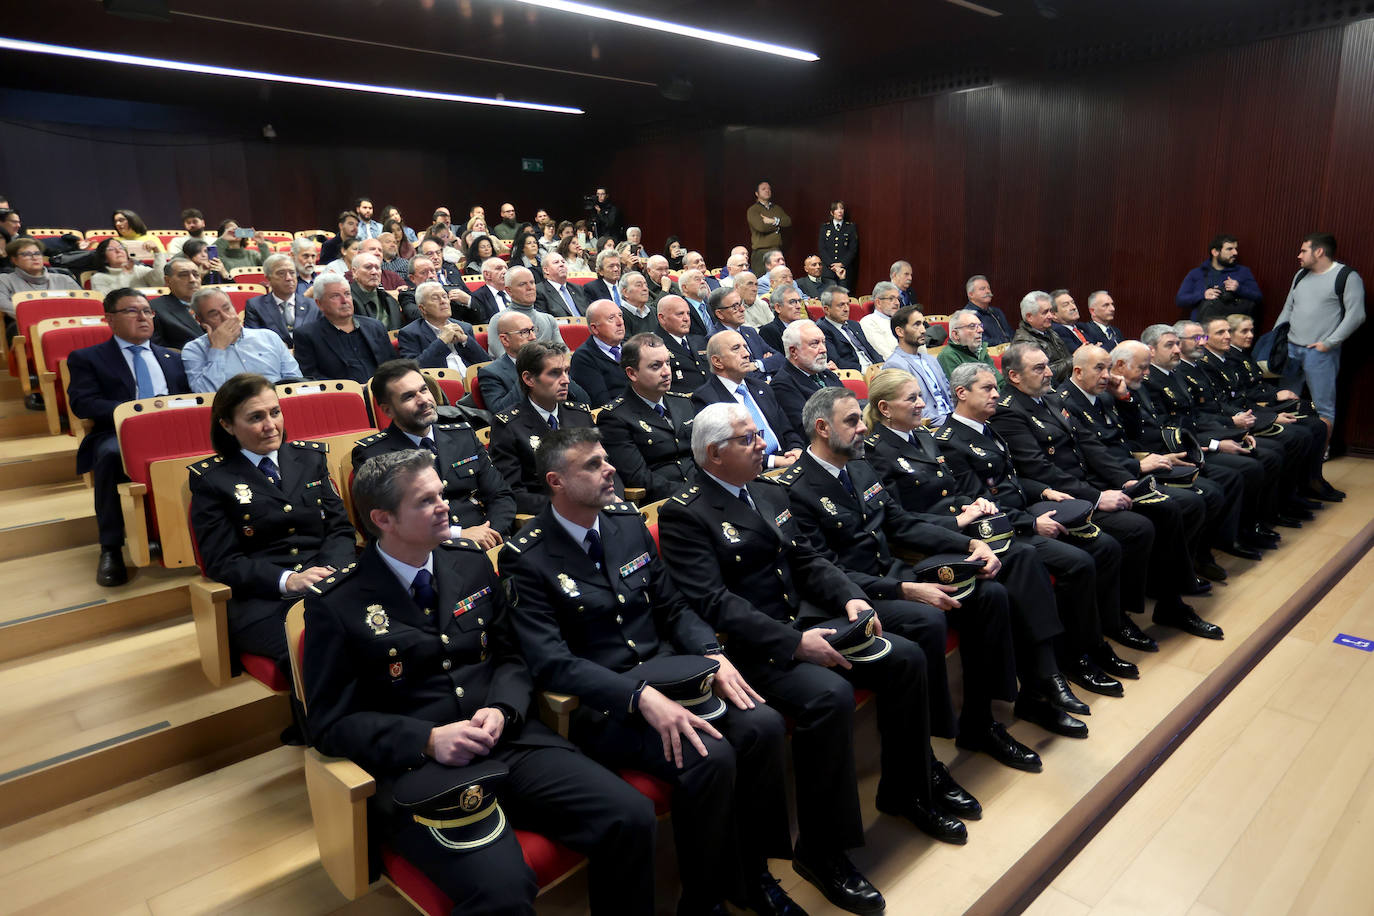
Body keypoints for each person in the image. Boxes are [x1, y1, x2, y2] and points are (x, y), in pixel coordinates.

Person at [304, 449, 656, 915]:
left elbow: (511, 654)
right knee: (502, 889)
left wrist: (504, 708)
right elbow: (329, 726)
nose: (445, 506)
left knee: (629, 816)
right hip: (424, 771)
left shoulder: (467, 562)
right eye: (426, 501)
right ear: (382, 518)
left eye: (442, 493)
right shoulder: (337, 603)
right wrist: (425, 739)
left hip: (508, 738)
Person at [658, 402, 965, 915]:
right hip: (750, 648)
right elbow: (713, 601)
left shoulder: (766, 489)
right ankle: (821, 851)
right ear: (714, 454)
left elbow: (805, 558)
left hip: (803, 619)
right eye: (749, 439)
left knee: (905, 657)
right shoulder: (685, 511)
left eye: (759, 435)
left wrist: (849, 594)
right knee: (829, 696)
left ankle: (907, 788)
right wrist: (793, 643)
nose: (763, 445)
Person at [503, 428, 800, 914]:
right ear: (556, 481)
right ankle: (704, 900)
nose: (611, 469)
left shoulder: (623, 522)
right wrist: (637, 696)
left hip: (672, 676)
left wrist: (712, 653)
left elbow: (672, 605)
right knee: (711, 757)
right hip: (604, 705)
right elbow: (551, 662)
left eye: (606, 459)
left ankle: (752, 872)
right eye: (594, 465)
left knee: (763, 725)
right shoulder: (527, 557)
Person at [782, 386, 1050, 773]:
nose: (863, 428)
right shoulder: (794, 488)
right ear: (823, 428)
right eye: (853, 420)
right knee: (927, 619)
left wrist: (971, 541)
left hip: (891, 574)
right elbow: (822, 569)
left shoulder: (857, 466)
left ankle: (981, 721)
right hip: (850, 596)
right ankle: (924, 758)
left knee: (987, 594)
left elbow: (901, 524)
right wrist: (903, 589)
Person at [869, 368, 1100, 737]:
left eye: (919, 395)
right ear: (884, 408)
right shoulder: (876, 452)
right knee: (1019, 561)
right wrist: (958, 524)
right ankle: (1042, 681)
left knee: (1020, 562)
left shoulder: (923, 437)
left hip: (958, 530)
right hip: (922, 550)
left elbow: (948, 491)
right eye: (910, 398)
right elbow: (900, 522)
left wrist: (972, 502)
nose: (921, 403)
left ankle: (1042, 681)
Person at [991, 342, 1223, 642]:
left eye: (1048, 365)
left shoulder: (1045, 398)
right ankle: (1118, 615)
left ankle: (1170, 602)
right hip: (1064, 498)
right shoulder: (1009, 412)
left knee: (1178, 506)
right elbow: (1039, 470)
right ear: (1014, 376)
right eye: (1039, 368)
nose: (1049, 373)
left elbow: (1089, 445)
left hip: (1090, 484)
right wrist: (1098, 497)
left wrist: (1125, 478)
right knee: (1139, 526)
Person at [190, 372, 353, 675]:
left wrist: (332, 573)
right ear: (227, 425)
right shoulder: (213, 481)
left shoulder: (309, 459)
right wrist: (288, 579)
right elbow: (222, 562)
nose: (271, 426)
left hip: (332, 584)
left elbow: (340, 529)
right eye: (256, 417)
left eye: (275, 412)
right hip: (265, 600)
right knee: (323, 649)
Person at [67, 289, 191, 586]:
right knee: (109, 455)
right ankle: (110, 547)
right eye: (132, 311)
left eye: (147, 311)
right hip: (119, 434)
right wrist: (133, 413)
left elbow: (190, 398)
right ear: (109, 319)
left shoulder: (172, 357)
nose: (143, 317)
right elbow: (83, 403)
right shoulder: (88, 358)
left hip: (173, 432)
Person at [1108, 338, 1257, 562]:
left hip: (1173, 450)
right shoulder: (1112, 395)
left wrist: (1208, 444)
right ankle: (1189, 562)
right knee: (1209, 492)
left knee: (1230, 478)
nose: (1146, 372)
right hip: (1151, 459)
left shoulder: (1139, 386)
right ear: (1120, 366)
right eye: (1142, 367)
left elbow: (1180, 423)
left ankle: (1202, 555)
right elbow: (1132, 439)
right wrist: (1206, 446)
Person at [1138, 324, 1281, 554]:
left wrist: (1236, 433)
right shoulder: (1149, 382)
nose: (1177, 349)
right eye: (1170, 345)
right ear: (1151, 350)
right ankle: (1228, 539)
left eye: (1177, 343)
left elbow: (1195, 418)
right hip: (1184, 449)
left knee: (1260, 457)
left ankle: (1247, 528)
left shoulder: (1174, 374)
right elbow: (1171, 430)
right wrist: (1215, 444)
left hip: (1197, 438)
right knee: (1244, 470)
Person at [355, 360, 515, 545]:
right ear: (387, 410)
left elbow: (500, 495)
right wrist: (455, 536)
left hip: (489, 541)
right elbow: (389, 526)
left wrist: (492, 533)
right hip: (431, 555)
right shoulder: (374, 455)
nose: (423, 400)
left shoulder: (462, 435)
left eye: (423, 390)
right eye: (408, 397)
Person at [490, 341, 621, 515]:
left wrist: (614, 496)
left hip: (598, 507)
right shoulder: (508, 425)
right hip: (551, 516)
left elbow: (606, 465)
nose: (566, 380)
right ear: (529, 379)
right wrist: (571, 505)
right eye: (554, 373)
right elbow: (514, 493)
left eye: (567, 371)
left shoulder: (579, 413)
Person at [1273, 232, 1366, 448]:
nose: (1299, 255)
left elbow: (1357, 315)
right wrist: (1275, 339)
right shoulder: (1301, 275)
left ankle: (1322, 451)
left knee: (1323, 406)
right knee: (1286, 400)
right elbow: (1288, 307)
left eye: (1303, 250)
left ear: (1319, 251)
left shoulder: (1346, 276)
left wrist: (1329, 343)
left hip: (1320, 352)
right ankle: (1287, 450)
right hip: (1291, 349)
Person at [594, 333, 698, 500]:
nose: (666, 372)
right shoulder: (615, 417)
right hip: (664, 502)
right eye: (655, 366)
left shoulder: (683, 402)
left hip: (702, 492)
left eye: (668, 363)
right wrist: (691, 493)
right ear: (632, 373)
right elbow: (638, 478)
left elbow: (703, 457)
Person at [182, 287, 302, 391]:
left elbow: (296, 382)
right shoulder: (193, 350)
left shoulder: (268, 337)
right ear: (200, 321)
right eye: (214, 314)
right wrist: (217, 349)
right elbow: (206, 394)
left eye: (227, 308)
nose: (226, 317)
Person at [293, 273, 394, 383]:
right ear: (319, 303)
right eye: (335, 296)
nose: (344, 300)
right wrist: (348, 389)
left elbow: (392, 365)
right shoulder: (307, 335)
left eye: (347, 294)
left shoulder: (375, 327)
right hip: (340, 396)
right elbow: (311, 376)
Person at [770, 319, 845, 439]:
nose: (823, 349)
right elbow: (809, 430)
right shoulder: (783, 385)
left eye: (823, 342)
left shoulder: (827, 373)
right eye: (814, 344)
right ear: (793, 351)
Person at [884, 305, 955, 426]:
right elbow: (909, 409)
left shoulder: (931, 360)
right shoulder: (894, 365)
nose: (923, 330)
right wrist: (955, 422)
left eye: (923, 324)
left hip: (951, 419)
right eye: (916, 324)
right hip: (931, 427)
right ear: (900, 331)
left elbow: (949, 394)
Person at [397, 281, 490, 372]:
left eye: (445, 296)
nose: (443, 301)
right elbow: (413, 370)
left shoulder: (465, 327)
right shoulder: (409, 333)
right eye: (435, 298)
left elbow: (487, 363)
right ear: (422, 308)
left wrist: (466, 341)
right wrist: (442, 342)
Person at [1175, 233, 1263, 321]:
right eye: (1229, 249)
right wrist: (1203, 295)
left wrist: (1239, 289)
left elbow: (1258, 297)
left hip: (1231, 330)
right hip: (1202, 330)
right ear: (1215, 252)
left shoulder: (1243, 272)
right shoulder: (1197, 273)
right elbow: (1180, 300)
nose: (1235, 253)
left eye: (1236, 249)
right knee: (1200, 335)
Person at [245, 253, 319, 347]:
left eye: (292, 273)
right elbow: (253, 341)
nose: (289, 278)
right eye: (281, 273)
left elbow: (322, 338)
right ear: (268, 278)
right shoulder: (255, 306)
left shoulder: (313, 305)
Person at [708, 285, 781, 377]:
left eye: (741, 304)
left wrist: (757, 364)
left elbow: (779, 358)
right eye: (735, 306)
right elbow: (737, 373)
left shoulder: (750, 331)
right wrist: (766, 363)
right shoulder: (715, 339)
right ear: (720, 314)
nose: (742, 309)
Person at [0, 237, 79, 318]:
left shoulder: (64, 279)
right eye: (27, 254)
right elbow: (4, 306)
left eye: (37, 253)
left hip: (67, 324)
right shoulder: (4, 280)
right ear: (14, 260)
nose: (34, 258)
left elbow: (82, 304)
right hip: (24, 325)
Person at [569, 299, 629, 407]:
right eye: (611, 318)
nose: (620, 322)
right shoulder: (583, 358)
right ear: (595, 328)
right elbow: (602, 403)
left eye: (620, 315)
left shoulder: (632, 347)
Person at [1012, 291, 1073, 384]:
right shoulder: (1023, 342)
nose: (1050, 316)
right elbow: (1044, 373)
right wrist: (1074, 360)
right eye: (1045, 312)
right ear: (1029, 317)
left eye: (1050, 311)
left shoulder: (1050, 331)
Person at [656, 295, 710, 395]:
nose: (686, 319)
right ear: (662, 318)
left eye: (688, 314)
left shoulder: (700, 341)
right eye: (680, 314)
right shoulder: (655, 346)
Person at [817, 286, 880, 372]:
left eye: (848, 304)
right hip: (856, 374)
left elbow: (870, 350)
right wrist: (868, 371)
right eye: (841, 305)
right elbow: (836, 361)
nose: (846, 309)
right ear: (827, 309)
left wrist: (882, 365)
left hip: (876, 371)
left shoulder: (854, 325)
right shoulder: (821, 329)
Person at [937, 308, 1005, 385]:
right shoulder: (948, 356)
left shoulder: (981, 351)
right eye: (972, 326)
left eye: (980, 325)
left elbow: (1000, 382)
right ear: (956, 334)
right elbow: (963, 392)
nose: (981, 330)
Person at [90, 237, 166, 296]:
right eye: (111, 249)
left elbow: (160, 282)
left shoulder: (139, 270)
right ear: (104, 258)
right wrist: (126, 274)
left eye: (121, 248)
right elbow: (111, 301)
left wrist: (157, 252)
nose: (118, 251)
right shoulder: (98, 278)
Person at [349, 252, 407, 330]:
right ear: (354, 272)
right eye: (368, 267)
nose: (374, 272)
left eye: (377, 268)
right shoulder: (347, 300)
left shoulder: (390, 300)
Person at [746, 181, 791, 275]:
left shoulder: (777, 208)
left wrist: (773, 221)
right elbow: (761, 227)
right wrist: (777, 226)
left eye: (769, 189)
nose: (767, 191)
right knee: (761, 280)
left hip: (776, 250)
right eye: (763, 189)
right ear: (756, 193)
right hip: (761, 252)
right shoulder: (753, 210)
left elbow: (787, 221)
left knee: (779, 277)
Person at [535, 252, 588, 319]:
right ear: (546, 270)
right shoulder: (539, 291)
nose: (561, 265)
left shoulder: (577, 288)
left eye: (563, 262)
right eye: (556, 262)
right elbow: (545, 322)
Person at [965, 274, 1014, 347]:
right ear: (971, 294)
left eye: (988, 288)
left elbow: (1010, 333)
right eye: (982, 289)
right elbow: (980, 342)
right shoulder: (967, 316)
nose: (988, 291)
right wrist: (1005, 343)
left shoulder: (997, 312)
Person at [818, 201, 857, 285]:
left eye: (841, 208)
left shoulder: (850, 227)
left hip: (844, 270)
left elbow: (853, 249)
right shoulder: (825, 227)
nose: (840, 211)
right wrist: (832, 265)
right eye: (836, 209)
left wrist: (841, 264)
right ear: (832, 212)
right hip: (828, 271)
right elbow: (822, 249)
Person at [759, 281, 805, 353]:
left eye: (799, 301)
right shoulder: (769, 331)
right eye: (792, 302)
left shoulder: (806, 327)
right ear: (778, 307)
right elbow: (778, 361)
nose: (799, 306)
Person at [859, 281, 902, 359]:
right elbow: (884, 354)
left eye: (898, 299)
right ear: (878, 302)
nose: (897, 303)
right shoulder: (869, 322)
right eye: (891, 299)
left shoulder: (902, 320)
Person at [465, 257, 512, 324]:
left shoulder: (515, 291)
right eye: (499, 268)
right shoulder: (478, 297)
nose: (505, 272)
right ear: (487, 275)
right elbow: (484, 323)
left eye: (506, 268)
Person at [616, 270, 656, 338]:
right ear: (625, 292)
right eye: (639, 285)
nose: (645, 289)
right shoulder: (619, 316)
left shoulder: (653, 311)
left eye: (646, 285)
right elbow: (626, 345)